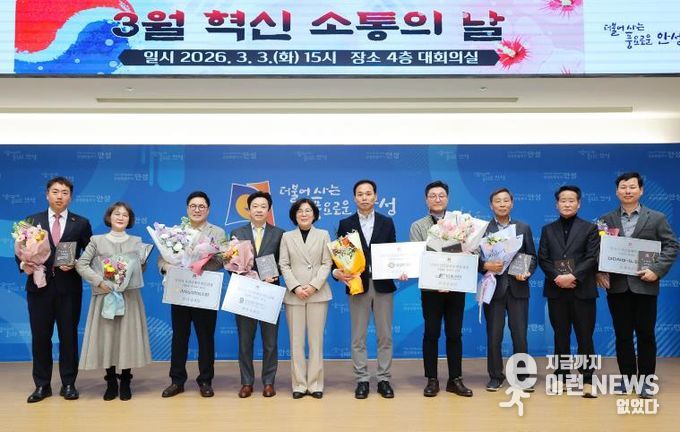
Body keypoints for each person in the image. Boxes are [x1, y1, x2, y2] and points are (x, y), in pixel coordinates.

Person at [597, 172, 679, 398]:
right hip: (618, 286)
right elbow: (599, 249)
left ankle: (646, 381)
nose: (628, 191)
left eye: (632, 187)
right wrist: (599, 271)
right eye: (623, 187)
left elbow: (672, 246)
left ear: (641, 190)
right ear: (617, 191)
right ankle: (627, 379)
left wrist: (656, 270)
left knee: (646, 335)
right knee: (622, 335)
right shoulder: (606, 219)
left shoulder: (657, 218)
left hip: (645, 285)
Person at [17, 176, 92, 403]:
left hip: (69, 289)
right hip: (39, 288)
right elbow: (18, 252)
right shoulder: (30, 221)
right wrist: (25, 263)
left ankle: (68, 383)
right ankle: (42, 385)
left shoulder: (81, 223)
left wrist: (76, 263)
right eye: (55, 192)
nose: (60, 196)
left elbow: (90, 255)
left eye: (65, 192)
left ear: (71, 197)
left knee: (69, 336)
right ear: (47, 194)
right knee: (40, 337)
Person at [334, 179, 405, 399]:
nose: (364, 197)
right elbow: (341, 257)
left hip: (383, 284)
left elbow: (393, 252)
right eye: (360, 194)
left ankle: (384, 378)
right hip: (358, 284)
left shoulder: (387, 222)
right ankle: (362, 379)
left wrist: (400, 269)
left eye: (368, 193)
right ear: (354, 198)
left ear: (376, 197)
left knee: (385, 336)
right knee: (358, 336)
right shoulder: (345, 224)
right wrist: (340, 273)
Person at [75, 202, 152, 401]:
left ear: (130, 219)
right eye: (117, 214)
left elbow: (140, 271)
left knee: (127, 337)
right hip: (105, 295)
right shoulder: (96, 240)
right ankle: (110, 381)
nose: (120, 217)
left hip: (129, 297)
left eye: (125, 215)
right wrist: (99, 281)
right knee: (107, 337)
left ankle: (125, 380)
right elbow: (81, 264)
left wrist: (141, 263)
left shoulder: (137, 242)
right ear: (109, 217)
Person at [409, 180, 474, 398]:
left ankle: (455, 379)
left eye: (441, 195)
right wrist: (438, 280)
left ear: (447, 198)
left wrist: (465, 255)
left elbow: (471, 251)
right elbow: (418, 257)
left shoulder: (462, 223)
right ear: (426, 199)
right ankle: (432, 379)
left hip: (456, 286)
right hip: (431, 290)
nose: (437, 199)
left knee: (455, 333)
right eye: (433, 196)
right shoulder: (418, 226)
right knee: (432, 333)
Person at [160, 191, 227, 398]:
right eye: (193, 206)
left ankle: (205, 380)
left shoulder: (218, 232)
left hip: (204, 291)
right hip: (180, 290)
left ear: (208, 209)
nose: (197, 210)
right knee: (179, 336)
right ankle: (177, 380)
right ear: (187, 208)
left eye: (201, 206)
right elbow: (162, 258)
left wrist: (199, 263)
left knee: (205, 337)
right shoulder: (176, 231)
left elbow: (223, 260)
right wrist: (166, 267)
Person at [538, 185, 599, 397]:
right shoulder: (547, 229)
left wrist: (573, 276)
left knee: (585, 336)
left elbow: (592, 257)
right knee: (560, 336)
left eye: (571, 200)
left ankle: (587, 379)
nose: (567, 204)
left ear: (579, 204)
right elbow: (543, 258)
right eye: (563, 200)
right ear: (557, 204)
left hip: (583, 291)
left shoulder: (590, 228)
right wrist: (557, 277)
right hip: (557, 291)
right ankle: (561, 376)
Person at [478, 188, 537, 392]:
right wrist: (485, 265)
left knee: (520, 336)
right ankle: (495, 376)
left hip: (518, 288)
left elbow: (532, 256)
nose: (502, 204)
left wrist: (527, 271)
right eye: (498, 201)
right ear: (491, 205)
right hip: (493, 289)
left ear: (512, 203)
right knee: (494, 336)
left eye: (505, 201)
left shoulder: (523, 227)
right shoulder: (483, 230)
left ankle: (522, 376)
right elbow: (474, 259)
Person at [230, 191, 284, 398]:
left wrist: (275, 273)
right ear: (249, 209)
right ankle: (246, 382)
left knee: (270, 342)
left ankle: (269, 382)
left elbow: (284, 262)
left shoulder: (279, 233)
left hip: (270, 293)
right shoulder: (237, 232)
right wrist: (242, 273)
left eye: (263, 206)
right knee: (245, 341)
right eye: (255, 206)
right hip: (245, 292)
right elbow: (230, 262)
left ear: (269, 210)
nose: (259, 210)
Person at [279, 199, 333, 399]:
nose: (304, 214)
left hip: (317, 293)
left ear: (314, 214)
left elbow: (327, 263)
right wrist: (295, 287)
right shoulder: (287, 236)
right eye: (300, 211)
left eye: (308, 210)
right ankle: (299, 385)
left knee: (316, 341)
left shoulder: (323, 235)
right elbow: (283, 264)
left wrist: (313, 286)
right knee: (296, 342)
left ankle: (315, 384)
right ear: (294, 215)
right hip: (295, 295)